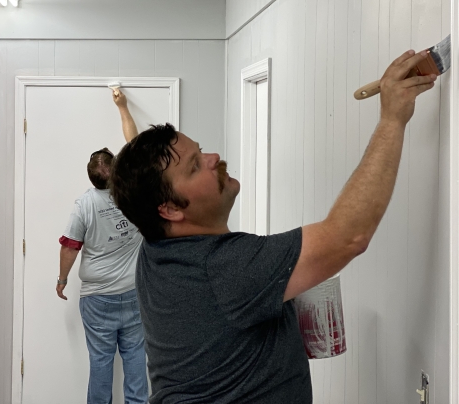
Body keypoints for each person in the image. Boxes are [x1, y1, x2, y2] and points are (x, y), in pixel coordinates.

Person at [109, 50, 437, 404]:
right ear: (170, 209)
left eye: (201, 150)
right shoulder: (225, 267)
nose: (213, 158)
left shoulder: (156, 250)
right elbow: (348, 236)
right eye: (194, 166)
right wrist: (392, 119)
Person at [56, 89, 149, 404]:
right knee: (136, 360)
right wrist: (122, 107)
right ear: (115, 172)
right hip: (134, 293)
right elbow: (134, 145)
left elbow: (70, 246)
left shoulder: (83, 205)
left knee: (101, 363)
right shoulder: (132, 192)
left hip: (97, 299)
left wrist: (62, 279)